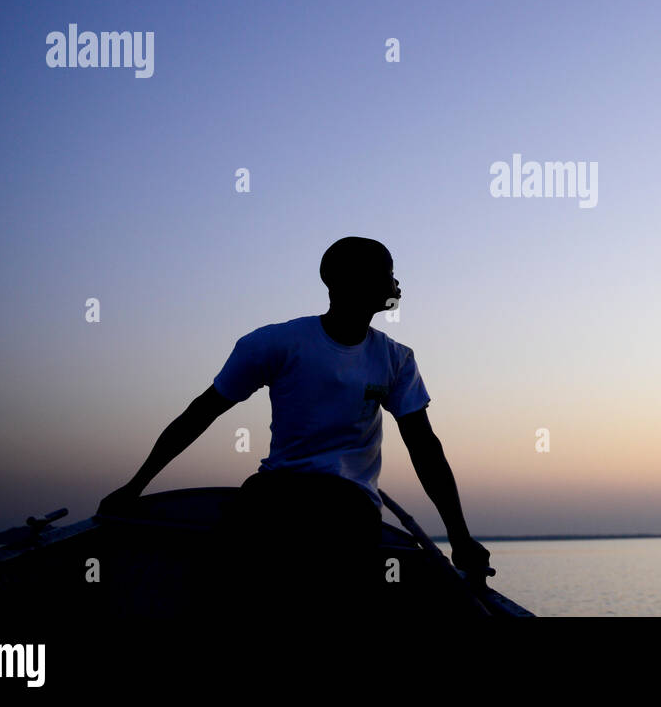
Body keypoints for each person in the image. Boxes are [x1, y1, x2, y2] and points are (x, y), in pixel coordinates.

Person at [97, 236, 491, 620]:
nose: (397, 284)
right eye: (388, 274)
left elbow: (424, 448)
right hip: (281, 496)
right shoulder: (276, 343)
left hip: (340, 505)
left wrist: (459, 536)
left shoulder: (396, 359)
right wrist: (135, 485)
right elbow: (201, 413)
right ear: (353, 283)